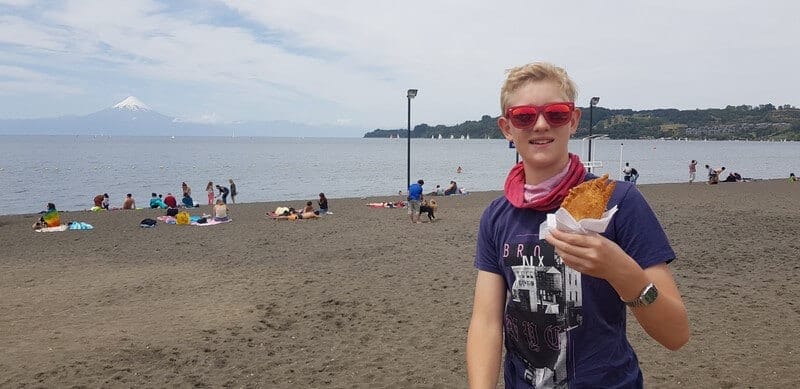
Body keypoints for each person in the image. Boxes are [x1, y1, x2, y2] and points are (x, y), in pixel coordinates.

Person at [466, 61, 688, 388]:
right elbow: (486, 322)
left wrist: (622, 272)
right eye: (524, 116)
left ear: (573, 120)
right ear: (507, 128)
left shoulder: (620, 201)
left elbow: (676, 334)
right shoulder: (496, 216)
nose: (540, 124)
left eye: (555, 113)